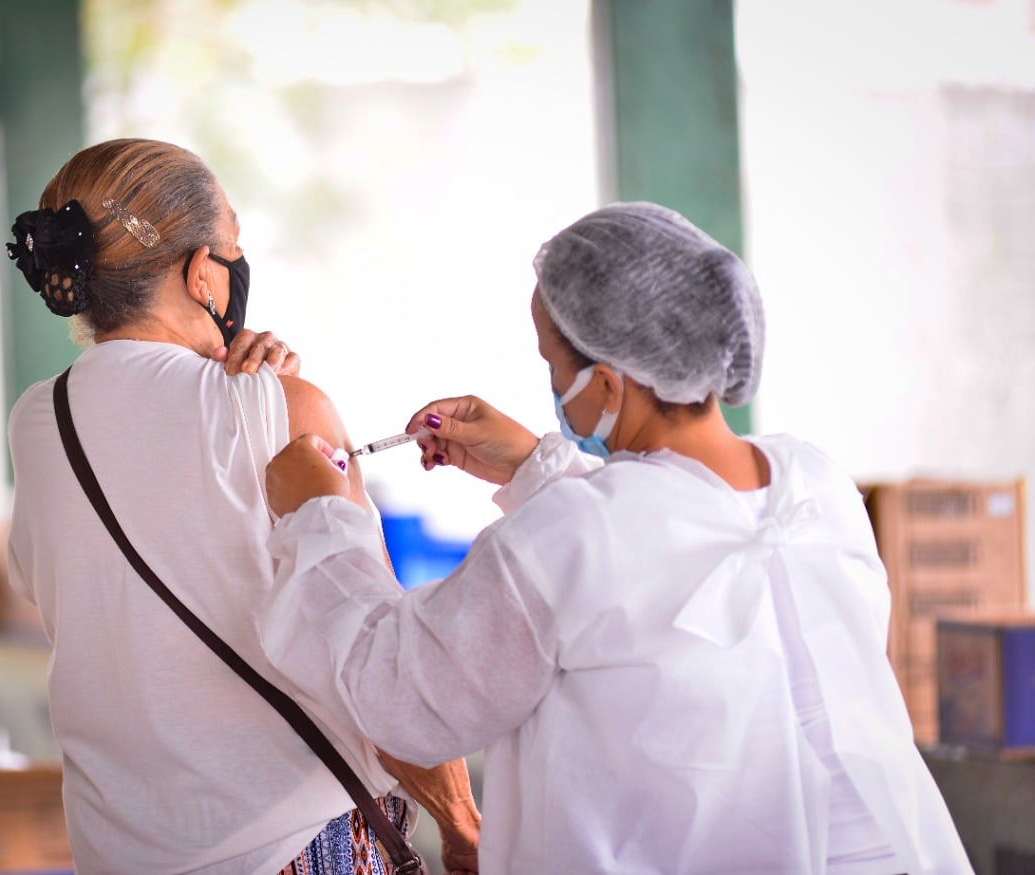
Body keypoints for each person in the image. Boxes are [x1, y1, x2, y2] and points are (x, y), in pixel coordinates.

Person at [260, 202, 973, 873]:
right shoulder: (813, 482)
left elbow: (400, 695)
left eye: (552, 364)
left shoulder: (573, 536)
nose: (551, 382)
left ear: (606, 383)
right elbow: (660, 543)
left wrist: (321, 519)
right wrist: (536, 464)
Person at [5, 138, 480, 874]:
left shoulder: (40, 421)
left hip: (123, 853)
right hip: (298, 842)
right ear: (202, 273)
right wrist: (462, 825)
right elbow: (381, 666)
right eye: (232, 246)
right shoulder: (282, 407)